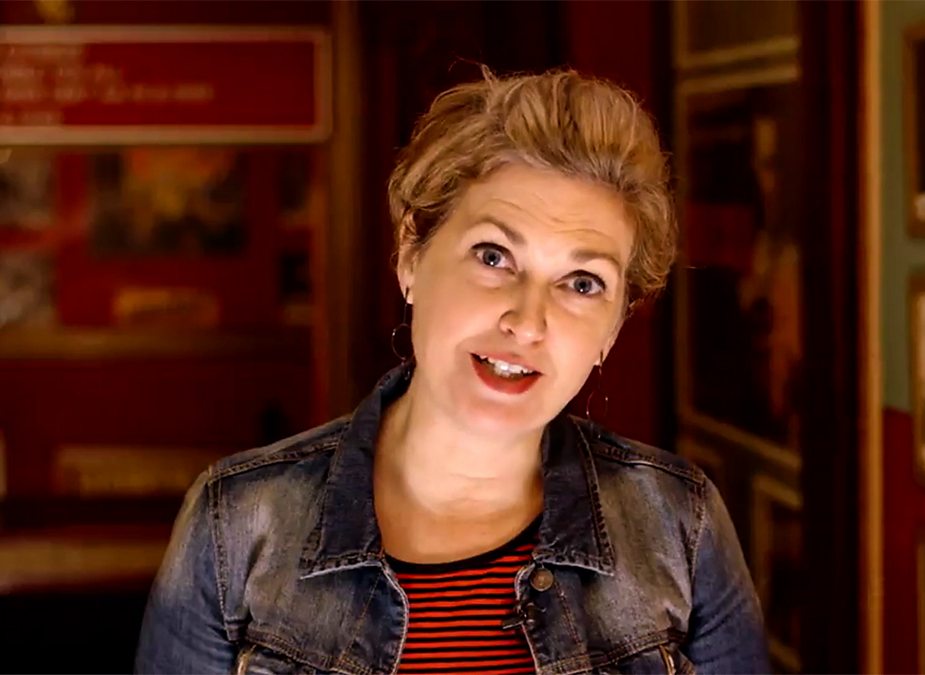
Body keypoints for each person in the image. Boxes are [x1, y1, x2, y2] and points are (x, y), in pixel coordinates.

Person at [135, 68, 769, 674]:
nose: (528, 321)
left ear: (613, 328)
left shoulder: (680, 525)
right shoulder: (235, 523)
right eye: (493, 256)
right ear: (412, 255)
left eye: (582, 282)